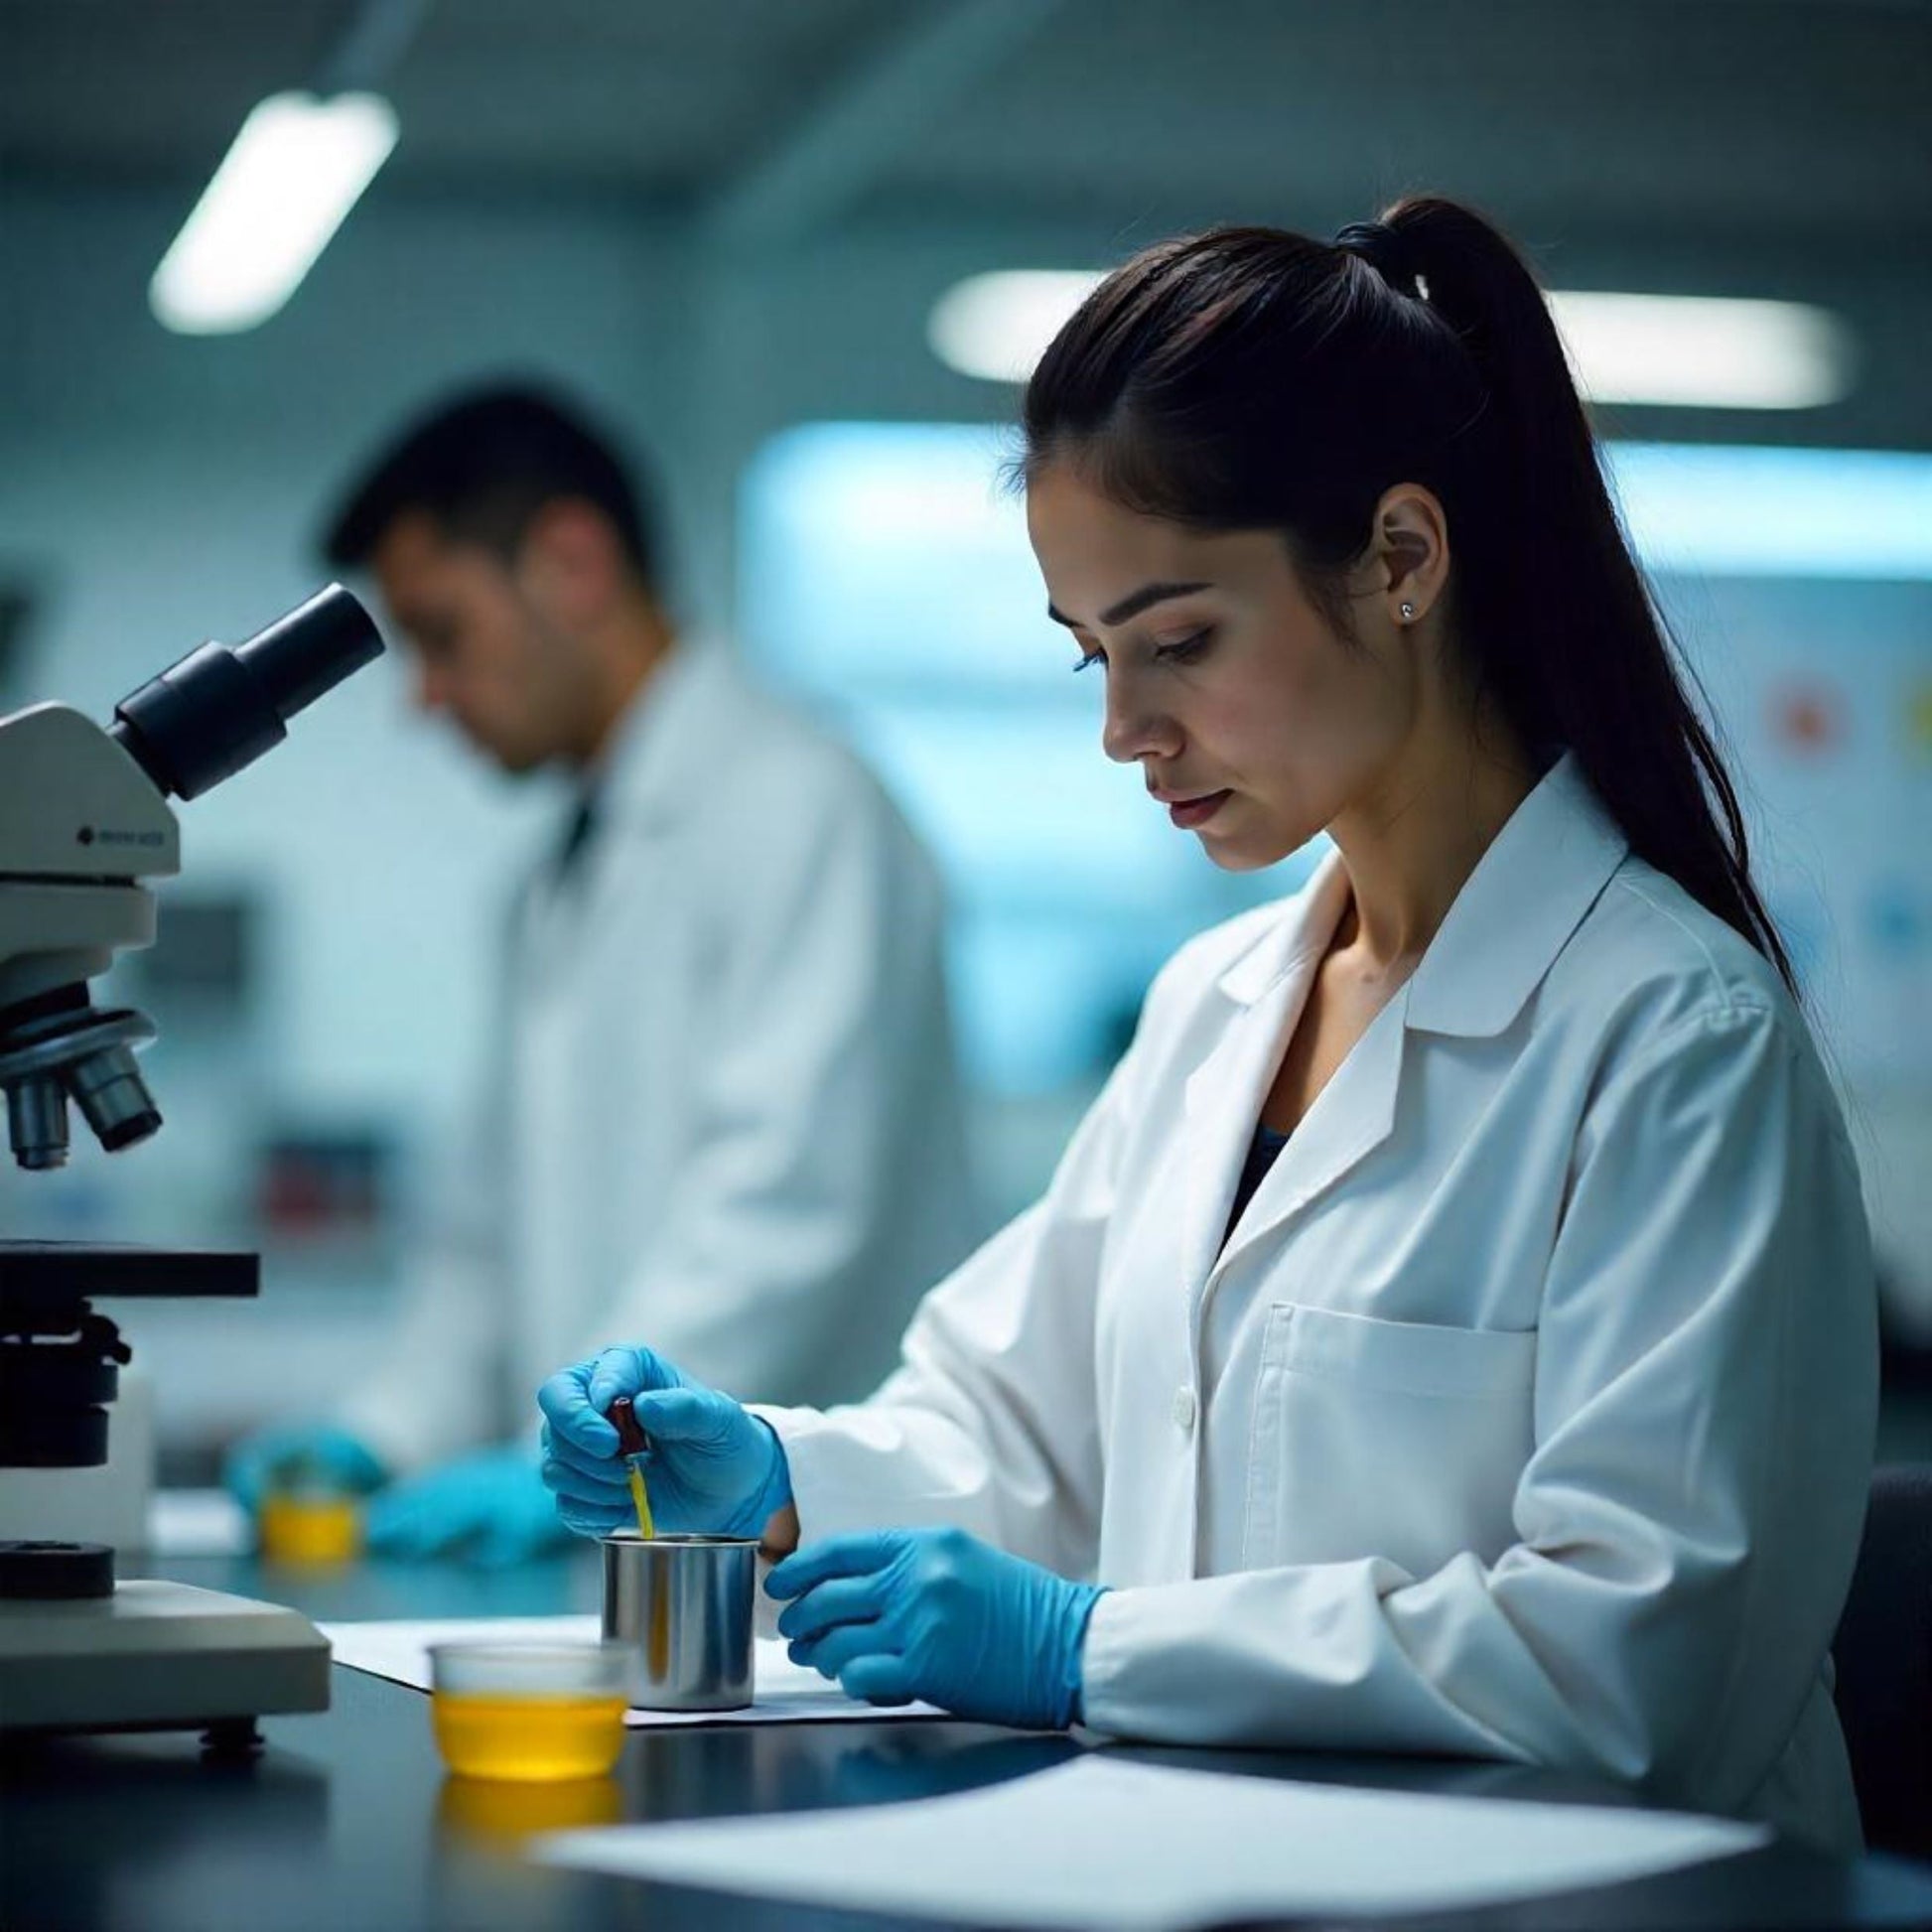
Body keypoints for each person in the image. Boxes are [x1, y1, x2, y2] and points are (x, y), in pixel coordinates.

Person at [537, 202, 1877, 1851]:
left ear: (1400, 558)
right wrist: (769, 1468)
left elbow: (1631, 1664)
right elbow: (1018, 1426)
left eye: (1177, 640)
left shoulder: (1671, 1039)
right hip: (1215, 1861)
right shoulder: (1216, 1006)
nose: (1122, 728)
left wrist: (1081, 1644)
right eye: (1093, 653)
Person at [227, 383, 976, 1563]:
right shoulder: (556, 874)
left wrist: (596, 1445)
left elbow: (783, 1206)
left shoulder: (800, 805)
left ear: (573, 561)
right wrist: (380, 1428)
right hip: (622, 1531)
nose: (422, 697)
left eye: (440, 634)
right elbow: (486, 1228)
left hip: (791, 1558)